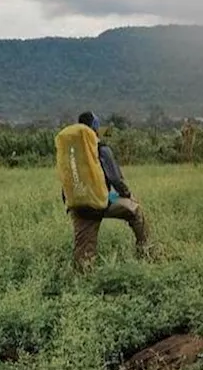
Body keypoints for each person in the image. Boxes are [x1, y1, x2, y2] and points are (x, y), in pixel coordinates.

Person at [56, 111, 150, 270]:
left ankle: (82, 278)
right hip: (100, 202)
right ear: (94, 128)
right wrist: (128, 195)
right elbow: (116, 180)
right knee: (136, 211)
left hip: (77, 205)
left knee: (83, 250)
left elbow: (67, 179)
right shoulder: (101, 149)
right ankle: (146, 251)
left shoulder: (72, 153)